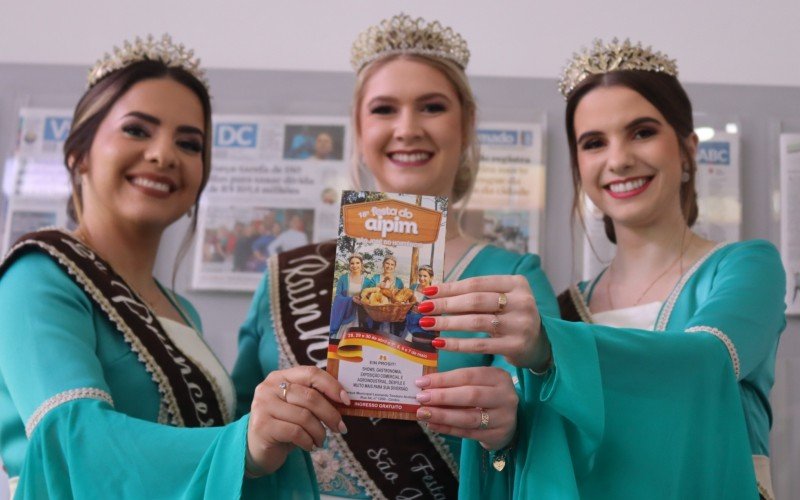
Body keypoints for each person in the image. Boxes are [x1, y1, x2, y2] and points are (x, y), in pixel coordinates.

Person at [417, 39, 787, 499]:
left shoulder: (746, 266)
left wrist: (550, 350)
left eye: (642, 132)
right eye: (594, 143)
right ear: (579, 166)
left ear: (688, 148)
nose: (619, 159)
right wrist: (500, 424)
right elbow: (536, 457)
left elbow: (708, 361)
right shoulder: (565, 308)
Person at [0, 34, 349, 499]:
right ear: (77, 153)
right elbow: (67, 439)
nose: (164, 155)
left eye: (188, 143)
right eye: (137, 130)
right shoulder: (36, 276)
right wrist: (241, 445)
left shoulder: (181, 311)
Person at [232, 13, 558, 499]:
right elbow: (231, 425)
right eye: (384, 109)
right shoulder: (288, 273)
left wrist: (511, 428)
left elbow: (555, 440)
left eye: (431, 107)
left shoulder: (512, 279)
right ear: (359, 131)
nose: (407, 128)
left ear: (466, 125)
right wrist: (253, 444)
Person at [330, 253, 367, 340]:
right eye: (352, 263)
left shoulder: (367, 281)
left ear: (362, 264)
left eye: (357, 263)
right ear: (349, 265)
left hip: (360, 316)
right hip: (345, 314)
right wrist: (351, 299)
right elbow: (337, 297)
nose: (355, 265)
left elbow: (369, 298)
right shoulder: (343, 279)